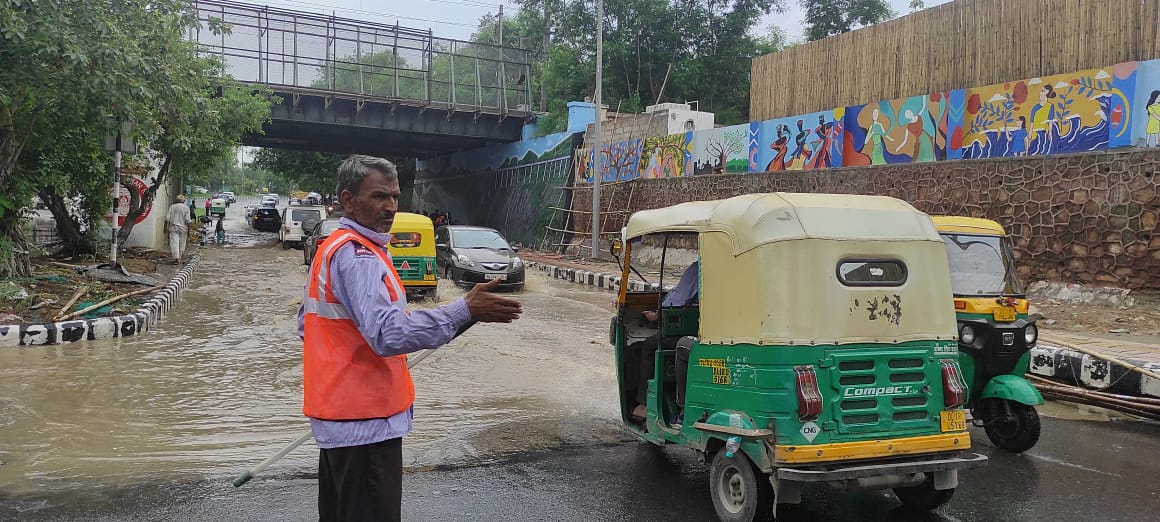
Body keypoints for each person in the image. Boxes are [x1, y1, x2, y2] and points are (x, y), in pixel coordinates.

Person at [298, 154, 522, 522]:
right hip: (365, 425)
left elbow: (305, 326)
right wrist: (464, 310)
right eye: (379, 197)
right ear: (348, 199)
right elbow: (387, 333)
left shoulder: (333, 248)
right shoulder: (359, 258)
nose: (390, 207)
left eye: (395, 197)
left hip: (338, 421)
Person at [626, 260, 699, 421]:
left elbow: (679, 300)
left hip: (690, 334)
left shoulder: (699, 268)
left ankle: (643, 405)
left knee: (648, 346)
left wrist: (656, 315)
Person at [164, 194, 192, 265]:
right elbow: (188, 221)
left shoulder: (172, 207)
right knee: (182, 243)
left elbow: (167, 219)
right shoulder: (186, 208)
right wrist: (189, 231)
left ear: (176, 200)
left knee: (174, 243)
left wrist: (165, 228)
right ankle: (180, 256)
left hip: (174, 227)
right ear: (184, 201)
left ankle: (176, 258)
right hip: (183, 228)